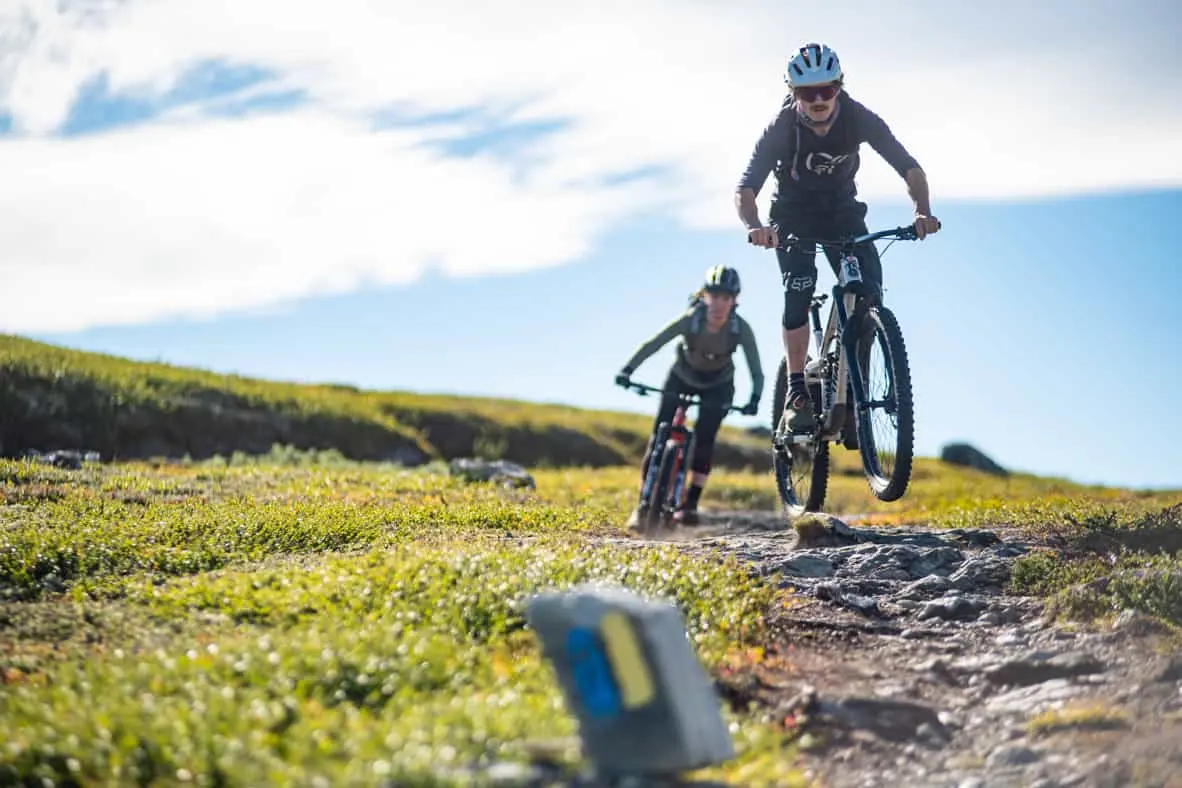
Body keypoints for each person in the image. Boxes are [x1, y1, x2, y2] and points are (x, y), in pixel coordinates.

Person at [734, 42, 940, 435]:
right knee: (799, 288)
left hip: (842, 212)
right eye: (807, 93)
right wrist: (755, 226)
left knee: (869, 291)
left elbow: (909, 167)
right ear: (794, 93)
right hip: (793, 217)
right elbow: (745, 189)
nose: (818, 100)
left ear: (839, 86)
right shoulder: (781, 128)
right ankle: (797, 395)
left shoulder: (859, 118)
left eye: (826, 90)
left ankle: (853, 389)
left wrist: (922, 212)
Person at [614, 265, 764, 528]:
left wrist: (755, 398)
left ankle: (690, 506)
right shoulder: (690, 319)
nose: (719, 304)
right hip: (681, 378)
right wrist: (628, 369)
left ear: (734, 301)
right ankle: (642, 505)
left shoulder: (740, 329)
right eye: (714, 296)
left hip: (718, 385)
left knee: (705, 440)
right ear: (704, 296)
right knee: (658, 438)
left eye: (725, 298)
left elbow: (756, 369)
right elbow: (654, 343)